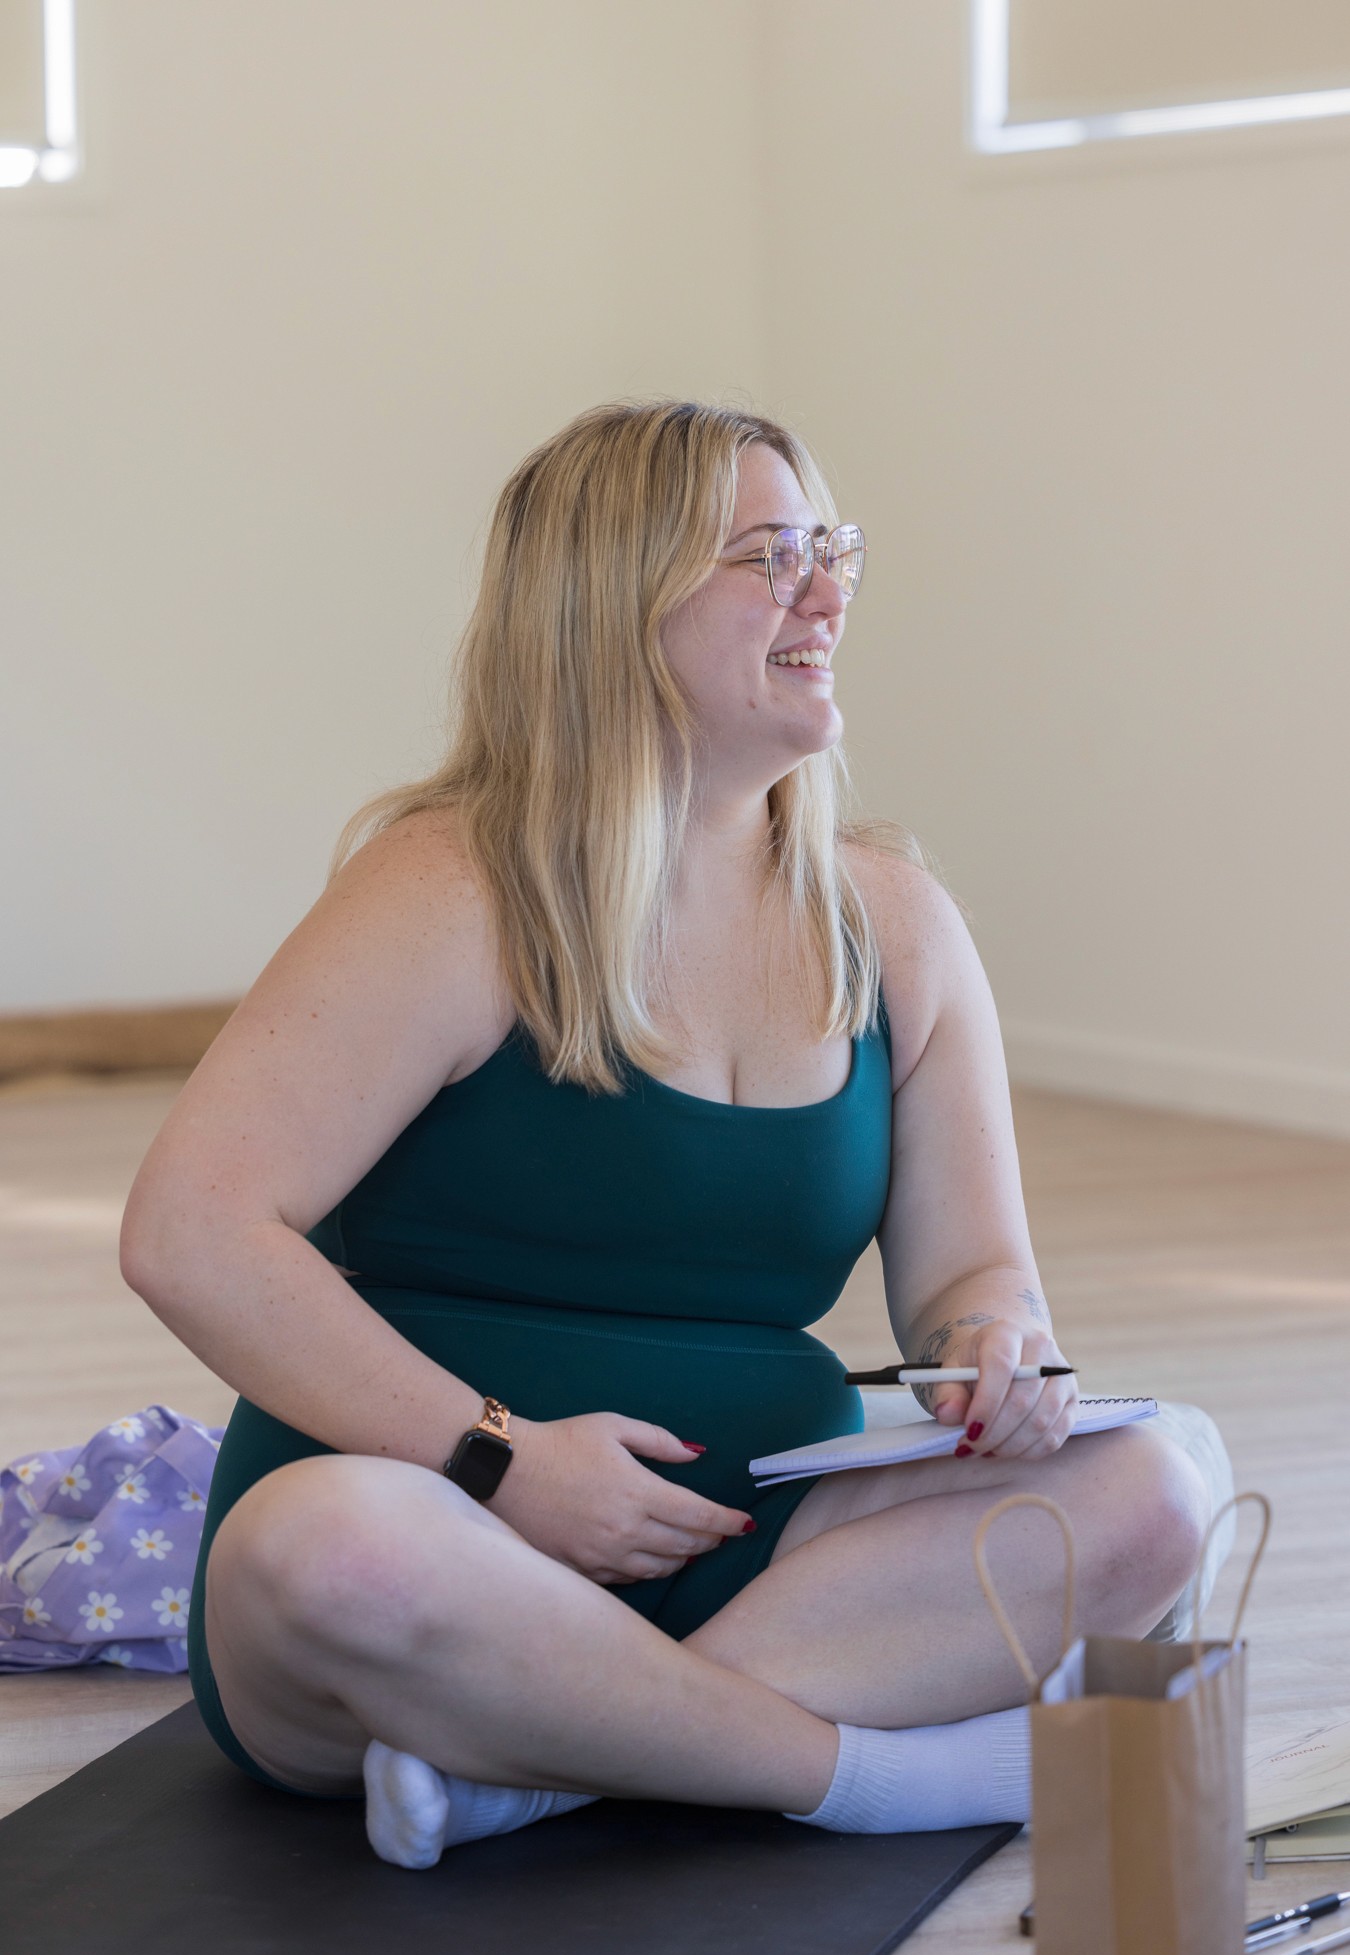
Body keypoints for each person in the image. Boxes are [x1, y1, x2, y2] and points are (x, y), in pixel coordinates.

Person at [120, 399, 1209, 1868]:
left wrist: (1002, 1347)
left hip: (761, 1561)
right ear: (611, 606)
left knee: (1150, 1487)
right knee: (329, 1549)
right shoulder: (450, 890)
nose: (825, 593)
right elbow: (193, 1233)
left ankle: (553, 1771)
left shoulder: (893, 922)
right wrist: (497, 1459)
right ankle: (875, 1776)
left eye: (832, 550)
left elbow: (974, 1281)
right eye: (769, 555)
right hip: (449, 1554)